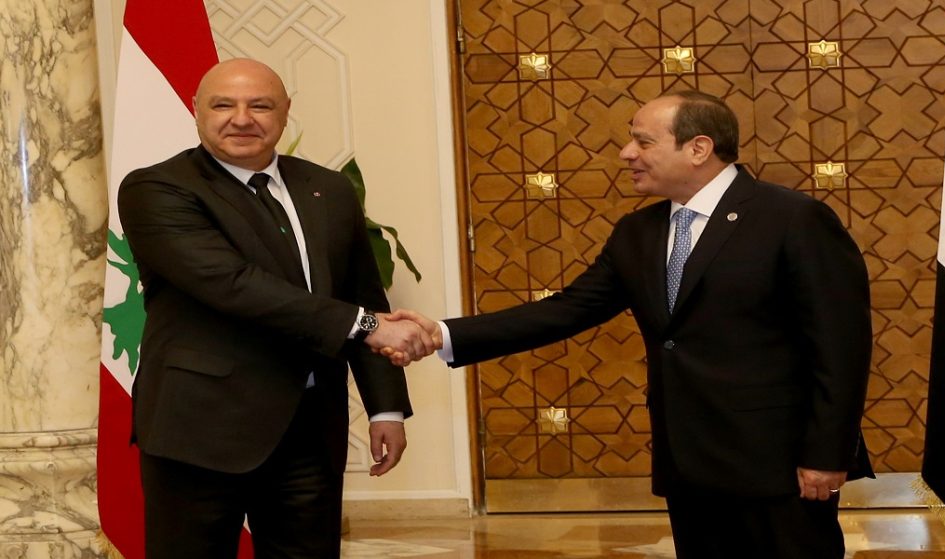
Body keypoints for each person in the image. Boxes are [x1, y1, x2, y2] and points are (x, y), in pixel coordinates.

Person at [389, 90, 874, 558]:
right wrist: (441, 334)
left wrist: (827, 453)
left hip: (780, 466)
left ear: (698, 148)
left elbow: (841, 348)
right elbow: (567, 310)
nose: (627, 153)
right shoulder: (638, 232)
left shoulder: (793, 218)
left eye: (643, 142)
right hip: (689, 465)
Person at [117, 58, 436, 558]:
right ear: (196, 110)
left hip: (309, 431)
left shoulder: (329, 189)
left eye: (260, 105)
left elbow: (363, 294)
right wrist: (367, 326)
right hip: (199, 430)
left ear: (286, 112)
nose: (242, 119)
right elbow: (233, 284)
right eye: (223, 105)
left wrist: (386, 408)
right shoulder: (157, 188)